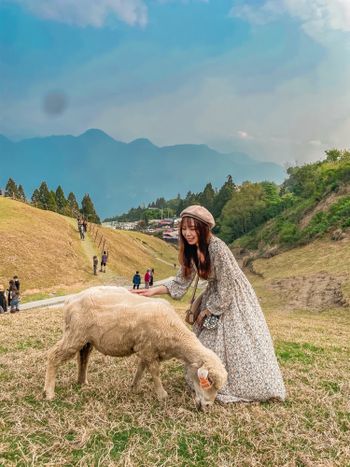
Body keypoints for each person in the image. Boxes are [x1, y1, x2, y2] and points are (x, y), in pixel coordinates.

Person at [133, 205, 286, 403]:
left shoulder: (217, 247)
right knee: (206, 343)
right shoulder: (190, 250)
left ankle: (237, 385)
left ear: (204, 229)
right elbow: (180, 282)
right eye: (184, 229)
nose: (187, 233)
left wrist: (209, 310)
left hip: (233, 298)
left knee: (237, 343)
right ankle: (207, 380)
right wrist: (152, 290)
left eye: (193, 228)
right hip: (214, 294)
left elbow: (228, 284)